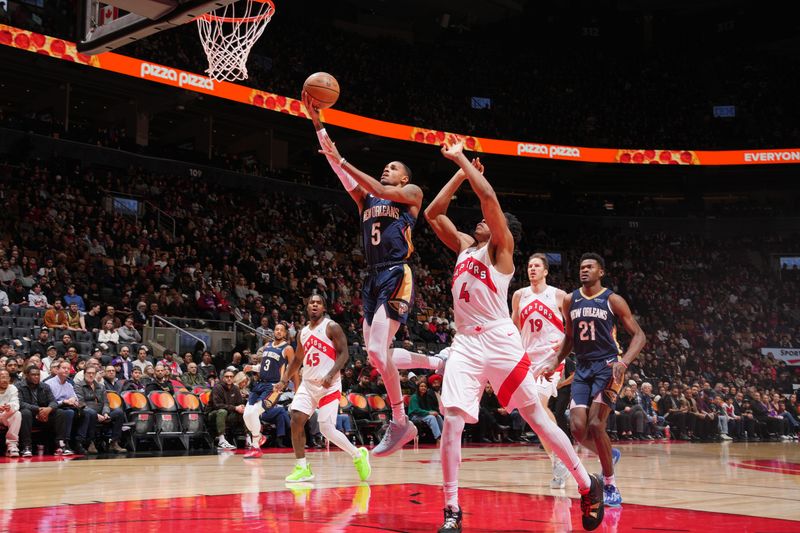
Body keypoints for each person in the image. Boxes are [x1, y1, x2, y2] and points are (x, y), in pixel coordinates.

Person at [426, 140, 604, 532]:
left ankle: (585, 482)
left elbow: (487, 195)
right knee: (453, 420)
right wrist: (458, 173)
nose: (480, 220)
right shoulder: (464, 247)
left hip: (499, 340)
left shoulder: (500, 250)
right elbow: (432, 212)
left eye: (489, 220)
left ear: (503, 229)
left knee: (536, 417)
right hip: (465, 343)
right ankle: (452, 510)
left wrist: (460, 159)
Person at [309, 92, 424, 457]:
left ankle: (400, 418)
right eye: (386, 167)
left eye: (393, 168)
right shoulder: (367, 201)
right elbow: (341, 172)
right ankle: (431, 373)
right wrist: (318, 126)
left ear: (404, 177)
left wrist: (344, 159)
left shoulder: (411, 194)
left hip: (395, 273)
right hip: (371, 277)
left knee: (377, 349)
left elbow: (376, 185)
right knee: (377, 356)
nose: (386, 170)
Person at [541, 252, 646, 509]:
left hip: (608, 367)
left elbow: (639, 335)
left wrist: (624, 362)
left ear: (601, 272)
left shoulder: (613, 300)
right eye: (581, 267)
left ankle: (610, 484)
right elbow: (569, 337)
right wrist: (555, 361)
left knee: (597, 424)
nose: (584, 270)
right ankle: (609, 454)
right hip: (584, 368)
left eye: (589, 267)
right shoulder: (569, 300)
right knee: (577, 428)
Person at [272, 294, 371, 483]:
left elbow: (344, 354)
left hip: (329, 385)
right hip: (309, 384)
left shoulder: (331, 326)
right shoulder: (303, 332)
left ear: (324, 308)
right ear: (307, 307)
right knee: (296, 418)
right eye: (311, 303)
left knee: (326, 429)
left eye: (318, 303)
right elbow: (298, 359)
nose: (314, 305)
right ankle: (302, 468)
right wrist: (284, 380)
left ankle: (357, 454)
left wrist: (331, 373)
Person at [511, 252, 571, 488]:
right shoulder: (519, 295)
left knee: (539, 404)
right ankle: (558, 458)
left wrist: (564, 342)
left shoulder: (559, 295)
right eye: (529, 265)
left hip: (551, 359)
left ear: (546, 271)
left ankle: (559, 458)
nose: (532, 269)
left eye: (536, 266)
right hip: (527, 360)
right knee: (531, 415)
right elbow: (512, 326)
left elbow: (572, 328)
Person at [242, 321, 295, 457]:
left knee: (254, 412)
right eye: (276, 329)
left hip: (273, 387)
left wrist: (288, 384)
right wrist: (252, 368)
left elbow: (293, 368)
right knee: (246, 414)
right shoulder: (267, 346)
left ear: (285, 333)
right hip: (259, 384)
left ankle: (256, 447)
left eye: (281, 330)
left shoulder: (287, 348)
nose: (278, 332)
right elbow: (264, 367)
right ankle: (259, 436)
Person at [17, 365, 72, 456]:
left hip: (45, 416)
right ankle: (26, 447)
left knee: (60, 412)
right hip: (30, 416)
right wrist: (38, 410)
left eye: (38, 375)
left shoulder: (45, 386)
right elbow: (21, 403)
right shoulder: (19, 386)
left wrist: (49, 409)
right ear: (26, 375)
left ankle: (61, 445)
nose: (36, 377)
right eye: (33, 375)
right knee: (25, 413)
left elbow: (53, 402)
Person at [207, 369, 245, 449]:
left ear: (234, 378)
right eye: (227, 376)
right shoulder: (217, 388)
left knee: (245, 412)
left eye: (231, 377)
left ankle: (249, 439)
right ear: (223, 378)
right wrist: (235, 408)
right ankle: (221, 440)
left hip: (229, 414)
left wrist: (242, 407)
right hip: (213, 414)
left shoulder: (235, 388)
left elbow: (239, 403)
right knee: (222, 411)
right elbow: (217, 405)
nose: (229, 378)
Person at [0, 369, 22, 457]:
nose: (4, 380)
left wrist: (9, 406)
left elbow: (16, 404)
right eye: (2, 377)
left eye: (6, 378)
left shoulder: (13, 388)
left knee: (18, 414)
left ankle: (12, 445)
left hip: (6, 414)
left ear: (9, 379)